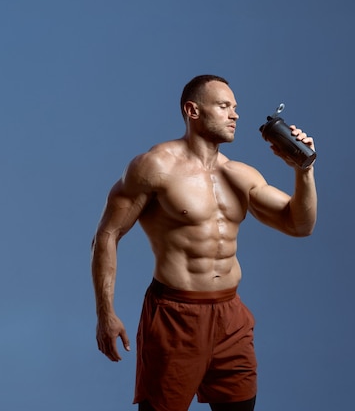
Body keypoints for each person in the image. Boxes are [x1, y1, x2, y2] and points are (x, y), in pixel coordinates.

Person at [91, 75, 317, 411]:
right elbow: (106, 236)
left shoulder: (241, 175)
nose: (235, 115)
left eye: (236, 108)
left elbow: (300, 225)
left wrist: (303, 169)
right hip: (175, 316)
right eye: (224, 106)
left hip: (230, 316)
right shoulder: (155, 167)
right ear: (192, 110)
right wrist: (105, 314)